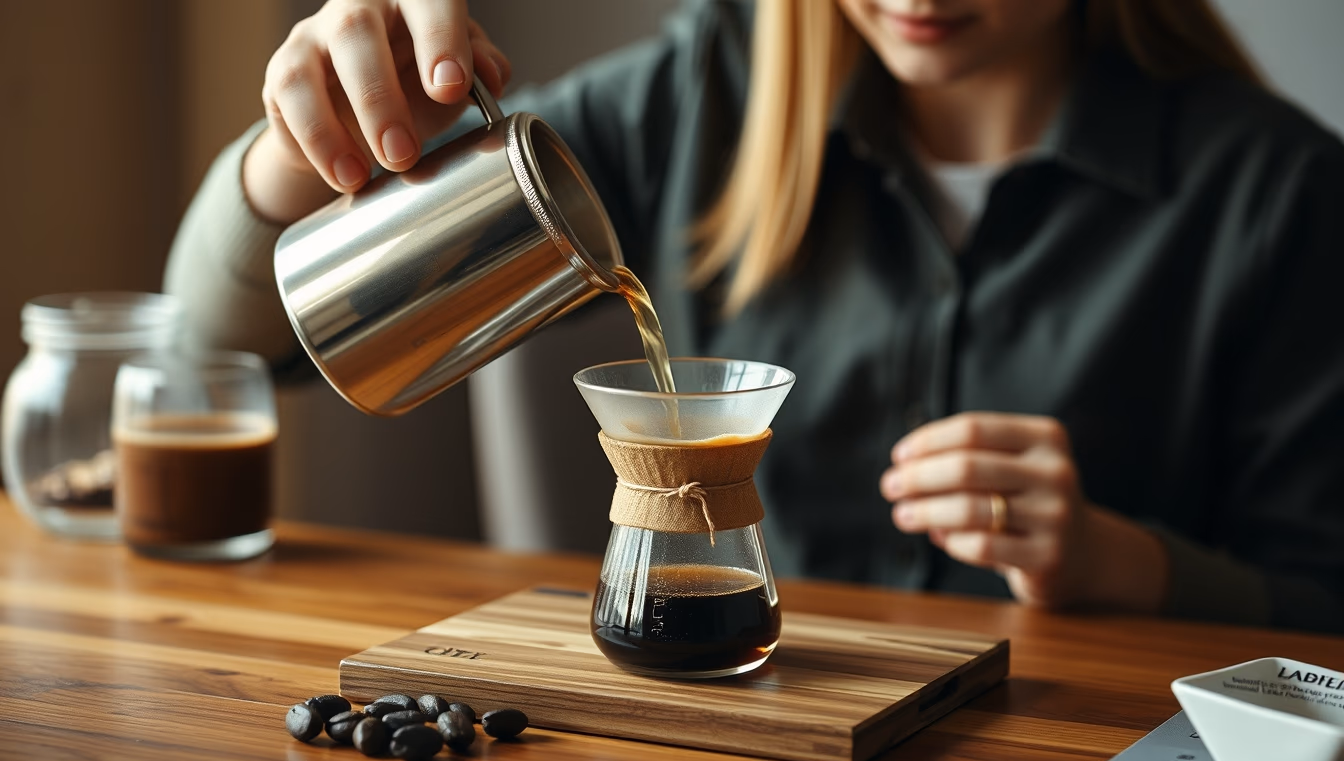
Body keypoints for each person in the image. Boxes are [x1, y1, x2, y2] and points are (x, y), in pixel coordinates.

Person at [165, 0, 1344, 632]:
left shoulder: (1278, 197)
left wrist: (1125, 565)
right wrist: (294, 154)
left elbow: (1324, 611)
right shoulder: (700, 103)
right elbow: (216, 361)